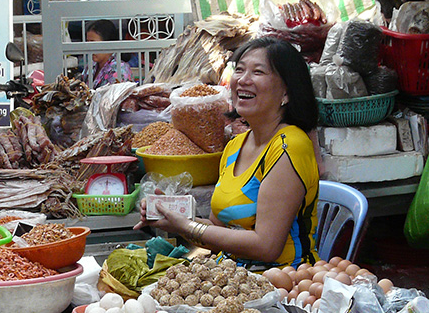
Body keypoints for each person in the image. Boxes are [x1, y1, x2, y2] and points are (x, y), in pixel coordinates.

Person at [136, 37, 320, 270]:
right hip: (232, 276)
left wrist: (188, 226)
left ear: (286, 92)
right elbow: (218, 232)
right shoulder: (234, 146)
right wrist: (175, 217)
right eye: (239, 70)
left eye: (258, 72)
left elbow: (267, 246)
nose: (243, 80)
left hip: (285, 282)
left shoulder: (289, 145)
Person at [80, 19, 132, 89]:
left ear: (107, 43)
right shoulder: (91, 66)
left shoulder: (120, 69)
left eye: (93, 43)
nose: (90, 48)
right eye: (88, 43)